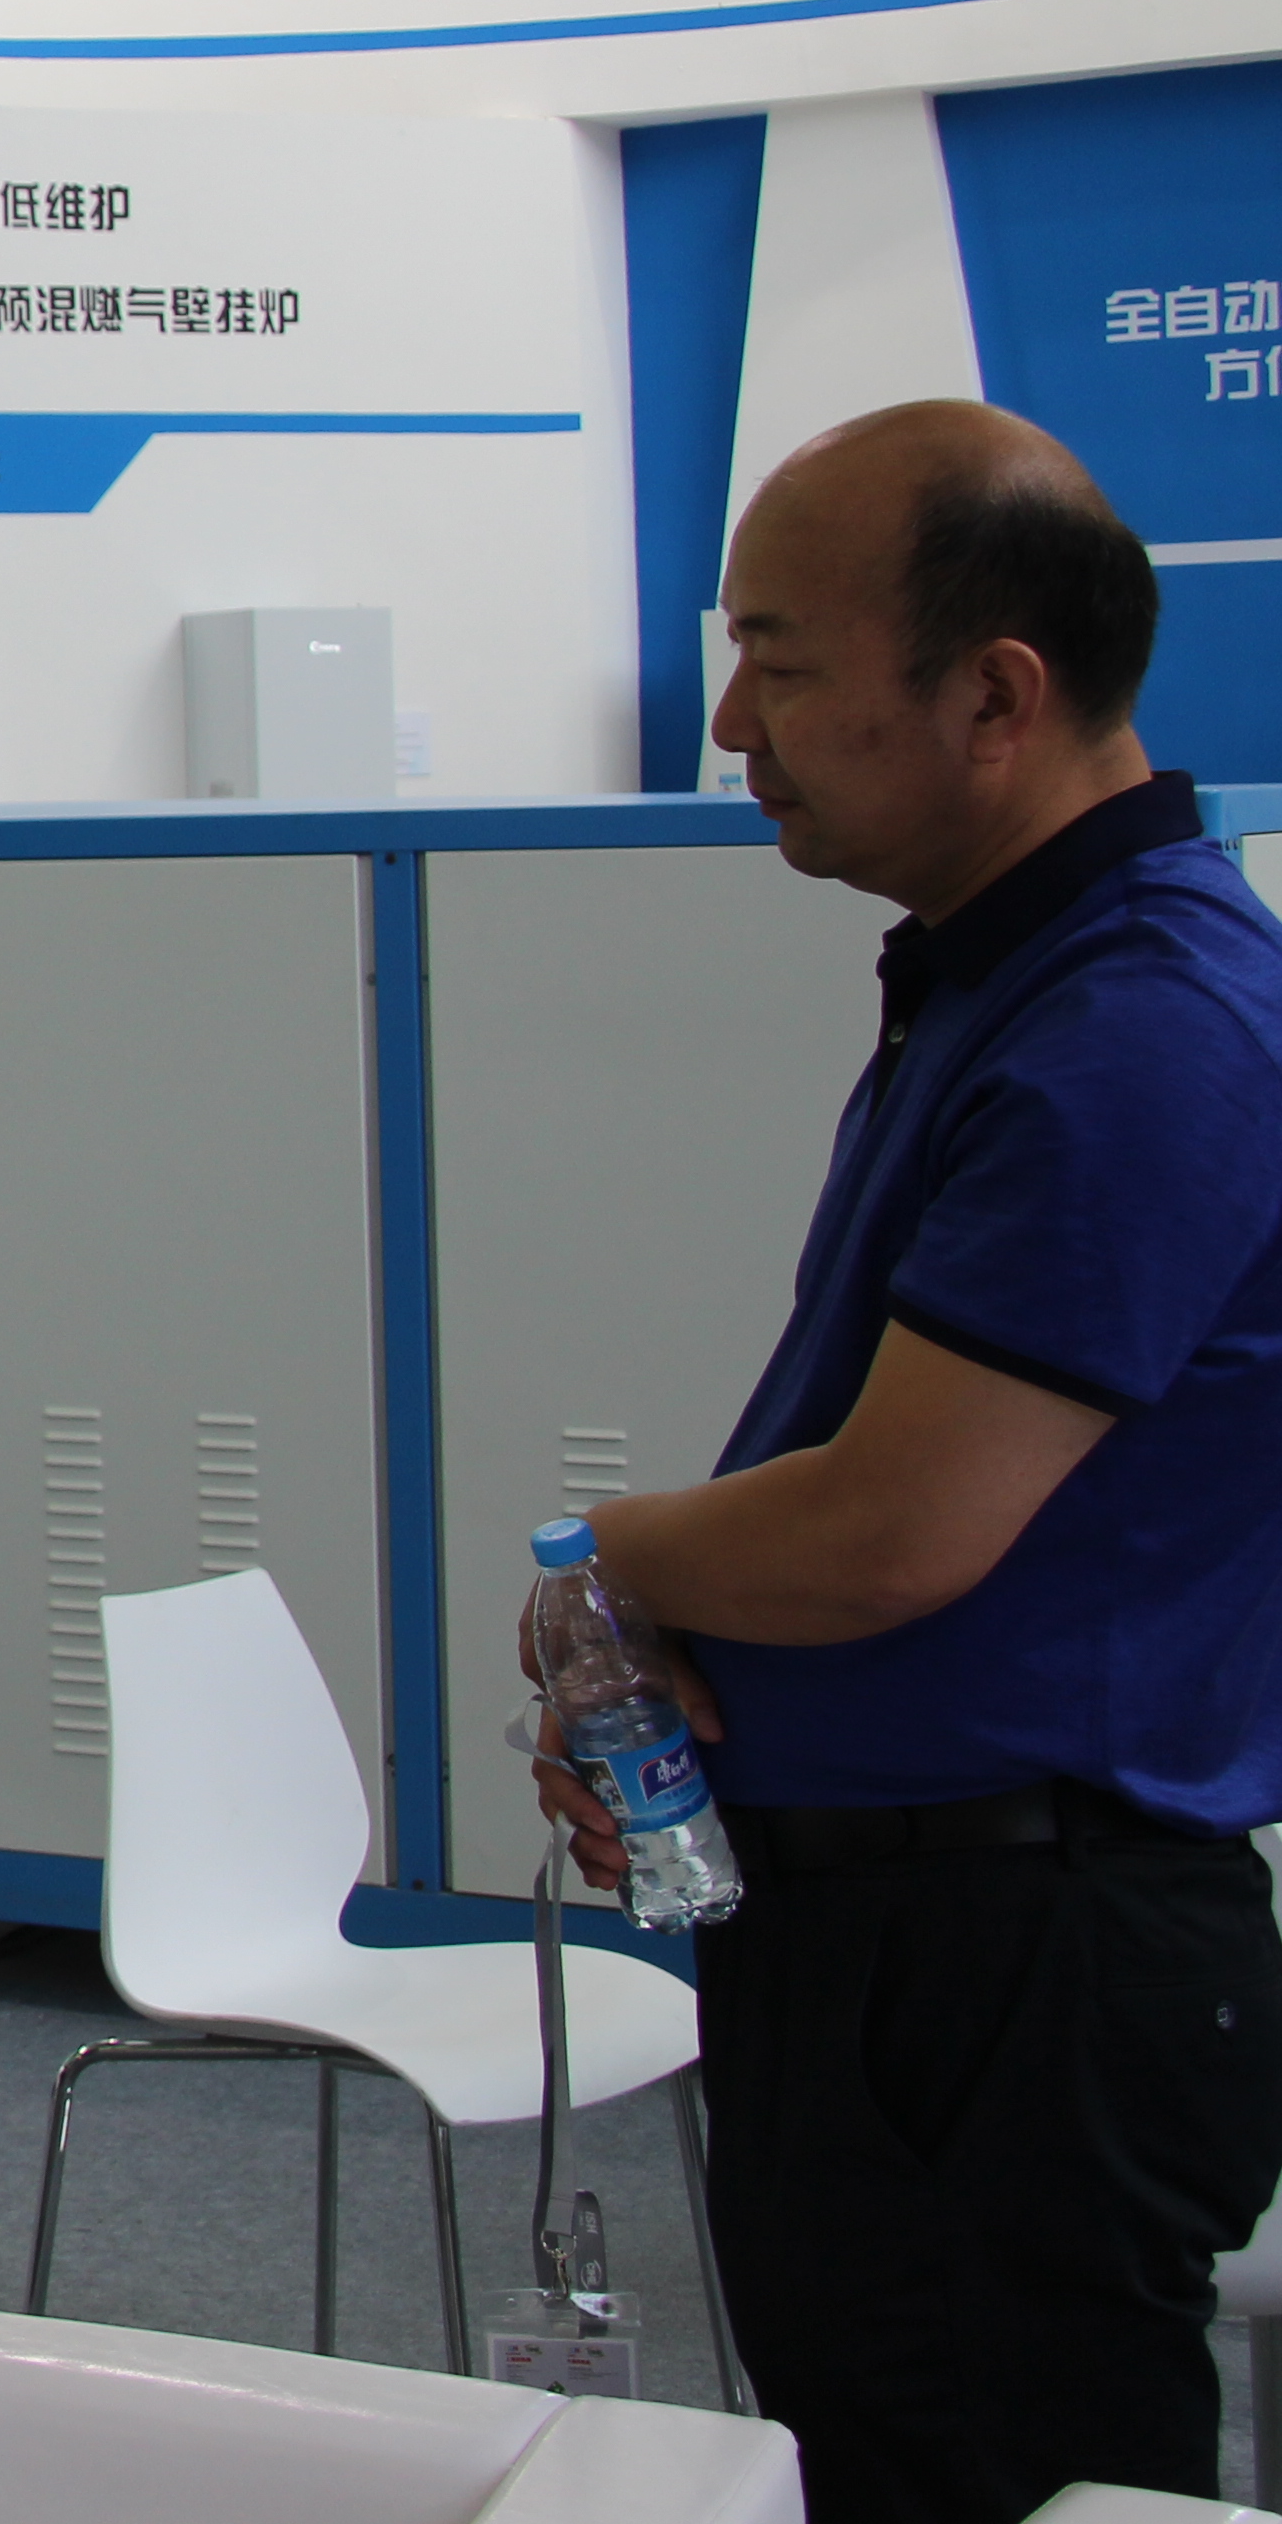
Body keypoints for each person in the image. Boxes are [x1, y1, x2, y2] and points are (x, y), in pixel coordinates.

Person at [536, 403, 1282, 2524]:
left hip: (1013, 1979)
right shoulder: (1004, 982)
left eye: (779, 663)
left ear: (997, 694)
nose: (729, 726)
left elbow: (893, 1528)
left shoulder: (1140, 1026)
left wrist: (602, 1558)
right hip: (907, 1944)